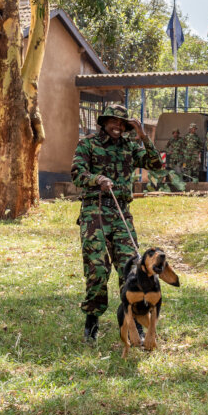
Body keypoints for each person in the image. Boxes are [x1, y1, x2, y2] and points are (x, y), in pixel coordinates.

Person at [71, 104, 163, 344]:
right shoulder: (89, 144)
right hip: (95, 212)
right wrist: (96, 178)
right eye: (114, 121)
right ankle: (92, 321)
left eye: (123, 123)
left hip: (121, 213)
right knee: (97, 270)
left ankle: (135, 324)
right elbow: (76, 173)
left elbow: (156, 164)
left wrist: (143, 136)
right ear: (104, 122)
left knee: (133, 270)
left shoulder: (130, 147)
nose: (118, 126)